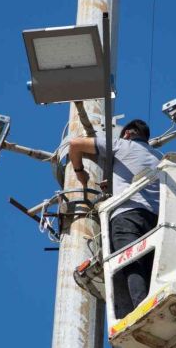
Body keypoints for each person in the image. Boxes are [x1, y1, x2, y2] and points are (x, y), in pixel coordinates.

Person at [68, 119, 163, 318]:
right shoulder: (160, 159)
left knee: (130, 262)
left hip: (127, 215)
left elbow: (75, 144)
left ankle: (142, 310)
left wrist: (80, 172)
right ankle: (154, 308)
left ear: (128, 133)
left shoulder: (121, 145)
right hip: (155, 220)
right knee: (150, 267)